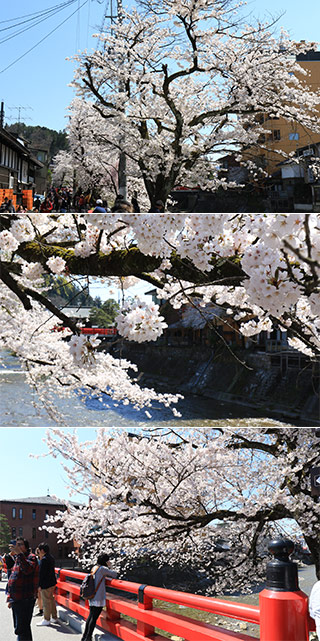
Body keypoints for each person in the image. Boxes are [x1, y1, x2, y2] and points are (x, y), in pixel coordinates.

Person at [7, 537, 39, 641]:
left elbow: (27, 570)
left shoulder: (31, 557)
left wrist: (19, 554)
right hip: (17, 598)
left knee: (21, 628)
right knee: (23, 628)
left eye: (20, 544)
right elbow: (13, 576)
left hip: (26, 598)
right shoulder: (18, 558)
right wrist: (9, 597)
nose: (18, 547)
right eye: (16, 545)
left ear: (26, 547)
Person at [81, 553, 117, 641]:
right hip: (98, 597)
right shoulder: (102, 569)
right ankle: (88, 637)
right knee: (94, 617)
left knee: (91, 616)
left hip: (92, 595)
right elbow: (114, 574)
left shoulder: (95, 567)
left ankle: (85, 636)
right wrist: (110, 566)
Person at [36, 542, 58, 626]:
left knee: (46, 601)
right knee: (51, 600)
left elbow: (42, 574)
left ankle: (46, 618)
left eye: (39, 550)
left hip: (46, 583)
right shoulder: (51, 557)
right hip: (52, 582)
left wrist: (39, 585)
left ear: (42, 550)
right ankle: (54, 617)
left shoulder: (44, 559)